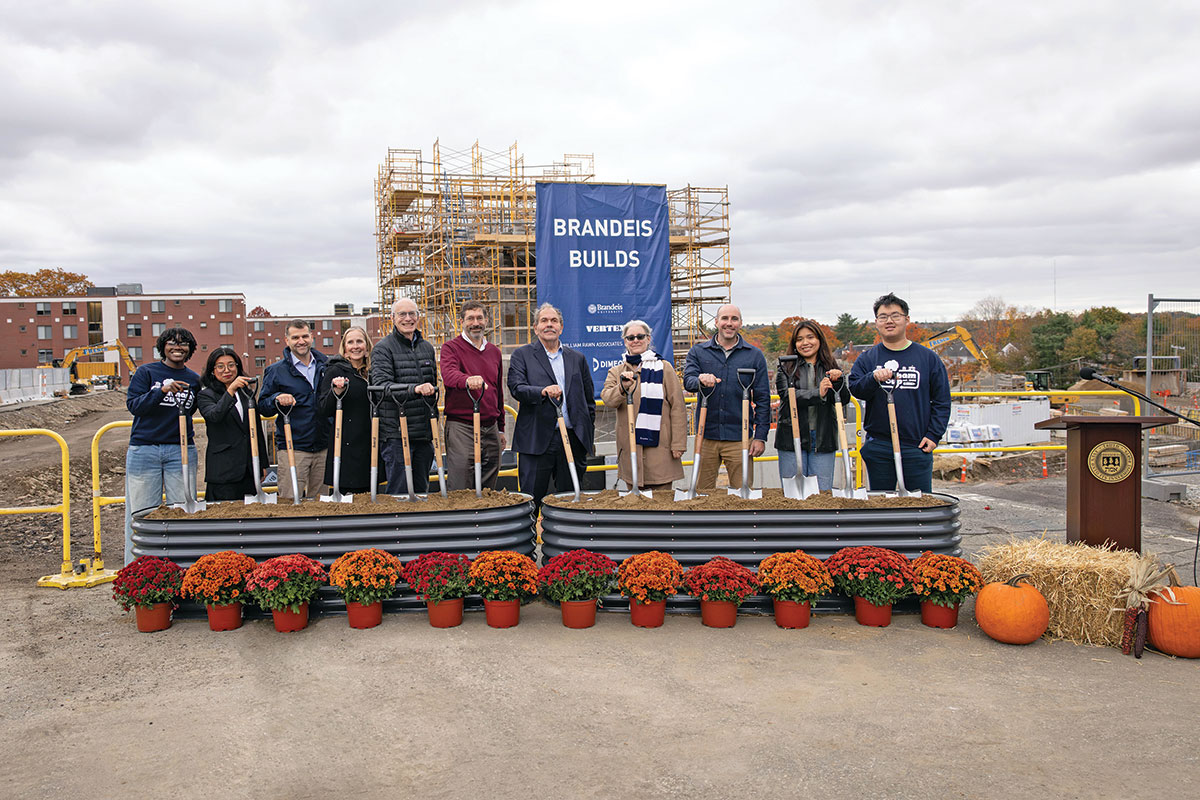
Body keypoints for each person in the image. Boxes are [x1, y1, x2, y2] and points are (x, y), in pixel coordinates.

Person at [848, 293, 950, 493]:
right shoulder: (867, 358)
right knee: (880, 506)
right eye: (883, 317)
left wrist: (933, 434)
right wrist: (874, 378)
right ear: (876, 322)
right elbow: (856, 388)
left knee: (919, 506)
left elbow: (941, 401)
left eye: (895, 315)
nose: (889, 321)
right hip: (879, 446)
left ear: (907, 319)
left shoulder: (928, 358)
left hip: (916, 445)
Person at [124, 327, 200, 564]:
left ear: (190, 350)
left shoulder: (194, 380)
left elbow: (192, 409)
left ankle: (182, 567)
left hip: (181, 450)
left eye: (183, 344)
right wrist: (162, 391)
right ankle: (138, 569)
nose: (178, 347)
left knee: (183, 511)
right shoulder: (146, 373)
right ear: (162, 347)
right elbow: (135, 406)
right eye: (172, 343)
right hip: (145, 450)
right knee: (143, 513)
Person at [508, 302, 595, 507]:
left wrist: (586, 433)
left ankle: (569, 538)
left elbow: (588, 400)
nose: (549, 325)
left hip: (571, 440)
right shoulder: (523, 355)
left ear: (561, 327)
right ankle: (528, 538)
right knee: (531, 500)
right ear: (536, 327)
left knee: (569, 500)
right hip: (537, 440)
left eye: (554, 321)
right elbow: (517, 388)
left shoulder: (577, 358)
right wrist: (542, 391)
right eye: (544, 321)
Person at [682, 304, 770, 491]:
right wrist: (699, 379)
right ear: (716, 322)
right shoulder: (698, 352)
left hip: (740, 436)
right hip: (706, 436)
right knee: (702, 493)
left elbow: (763, 399)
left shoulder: (754, 356)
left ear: (740, 323)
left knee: (743, 493)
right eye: (725, 319)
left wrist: (760, 436)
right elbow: (688, 382)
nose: (729, 323)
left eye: (734, 319)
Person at [600, 319, 686, 492]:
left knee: (663, 505)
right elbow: (608, 399)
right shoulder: (616, 372)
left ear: (648, 339)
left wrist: (678, 443)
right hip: (630, 449)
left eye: (640, 336)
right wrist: (622, 387)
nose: (635, 340)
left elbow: (678, 407)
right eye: (630, 337)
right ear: (625, 341)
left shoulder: (664, 368)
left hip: (661, 448)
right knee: (636, 507)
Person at [370, 298, 438, 495]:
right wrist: (414, 389)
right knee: (400, 493)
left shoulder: (426, 348)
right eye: (402, 314)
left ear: (418, 317)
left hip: (423, 432)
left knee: (421, 492)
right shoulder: (383, 349)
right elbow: (381, 387)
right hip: (396, 434)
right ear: (392, 318)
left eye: (412, 314)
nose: (408, 319)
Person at [774, 320, 851, 492]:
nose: (805, 343)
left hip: (823, 437)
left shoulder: (831, 366)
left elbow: (843, 399)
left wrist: (839, 382)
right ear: (794, 344)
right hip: (791, 437)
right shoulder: (786, 367)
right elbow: (787, 396)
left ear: (819, 340)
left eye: (810, 337)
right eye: (799, 339)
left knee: (822, 493)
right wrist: (818, 393)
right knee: (793, 494)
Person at [257, 319, 329, 501]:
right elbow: (263, 406)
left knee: (323, 504)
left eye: (305, 336)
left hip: (324, 447)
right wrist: (276, 398)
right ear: (286, 340)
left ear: (312, 337)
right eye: (295, 337)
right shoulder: (276, 371)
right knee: (289, 501)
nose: (301, 341)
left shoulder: (326, 366)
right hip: (293, 448)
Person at [440, 301, 506, 491]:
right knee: (462, 483)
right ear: (461, 321)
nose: (475, 323)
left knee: (489, 483)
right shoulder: (451, 348)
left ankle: (485, 519)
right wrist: (468, 380)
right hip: (463, 426)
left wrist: (500, 428)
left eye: (479, 318)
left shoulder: (494, 352)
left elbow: (498, 392)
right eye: (470, 318)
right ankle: (462, 519)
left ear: (486, 320)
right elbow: (449, 375)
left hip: (490, 426)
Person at [196, 347, 268, 501]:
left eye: (231, 365)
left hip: (248, 468)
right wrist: (231, 390)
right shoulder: (205, 395)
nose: (226, 370)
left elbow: (255, 429)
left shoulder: (247, 394)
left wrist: (262, 462)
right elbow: (214, 415)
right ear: (212, 371)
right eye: (220, 366)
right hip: (223, 470)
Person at [317, 326, 377, 495]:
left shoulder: (374, 372)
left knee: (370, 495)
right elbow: (323, 408)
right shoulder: (335, 370)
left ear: (367, 347)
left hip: (371, 442)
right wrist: (336, 391)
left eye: (360, 341)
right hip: (346, 445)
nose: (355, 346)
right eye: (350, 342)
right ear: (344, 349)